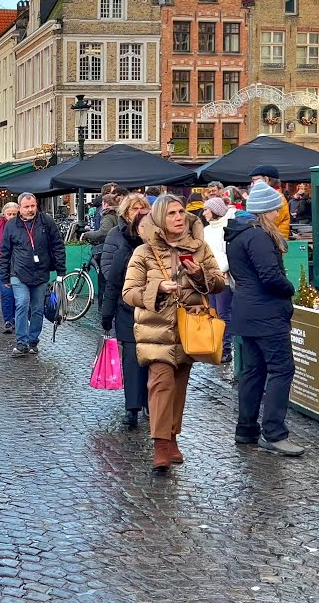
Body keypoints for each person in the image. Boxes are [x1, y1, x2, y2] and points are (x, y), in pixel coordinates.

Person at [122, 195, 227, 474]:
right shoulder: (143, 253)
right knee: (161, 383)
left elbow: (218, 284)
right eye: (171, 213)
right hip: (155, 330)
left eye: (181, 212)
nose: (179, 217)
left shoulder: (199, 247)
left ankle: (172, 438)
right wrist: (158, 289)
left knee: (179, 387)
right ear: (159, 218)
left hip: (187, 328)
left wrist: (199, 274)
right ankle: (160, 445)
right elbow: (129, 293)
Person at [226, 182, 302, 456]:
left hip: (248, 311)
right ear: (268, 211)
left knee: (254, 371)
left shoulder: (238, 234)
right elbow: (270, 277)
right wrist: (289, 288)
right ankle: (274, 433)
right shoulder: (258, 236)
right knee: (282, 370)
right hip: (266, 313)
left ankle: (246, 429)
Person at [99, 193, 151, 428]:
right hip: (127, 306)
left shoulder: (156, 241)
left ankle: (151, 401)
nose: (140, 214)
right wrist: (107, 314)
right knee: (131, 358)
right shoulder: (116, 238)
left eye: (144, 209)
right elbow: (110, 275)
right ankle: (132, 406)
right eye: (135, 210)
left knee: (152, 357)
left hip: (153, 309)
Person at [0, 192, 65, 356]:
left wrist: (60, 271)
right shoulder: (12, 225)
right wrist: (5, 275)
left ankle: (33, 340)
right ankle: (22, 343)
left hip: (40, 272)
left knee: (37, 308)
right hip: (18, 272)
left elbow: (57, 245)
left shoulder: (46, 222)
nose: (30, 210)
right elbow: (5, 251)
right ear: (19, 208)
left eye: (33, 206)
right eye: (26, 207)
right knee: (22, 303)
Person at [201, 197, 237, 364]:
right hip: (209, 277)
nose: (204, 212)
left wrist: (221, 270)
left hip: (224, 277)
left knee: (223, 313)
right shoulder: (206, 230)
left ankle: (226, 348)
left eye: (207, 209)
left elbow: (228, 254)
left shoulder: (227, 228)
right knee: (213, 312)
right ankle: (216, 346)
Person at [0, 202, 19, 334]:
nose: (12, 217)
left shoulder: (23, 227)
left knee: (18, 295)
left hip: (19, 265)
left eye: (14, 214)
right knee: (6, 294)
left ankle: (19, 319)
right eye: (9, 214)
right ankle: (8, 320)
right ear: (3, 214)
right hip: (0, 264)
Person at [249, 165, 291, 237]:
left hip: (276, 240)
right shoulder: (274, 196)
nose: (252, 184)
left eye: (256, 179)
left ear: (266, 179)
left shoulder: (276, 198)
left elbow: (271, 222)